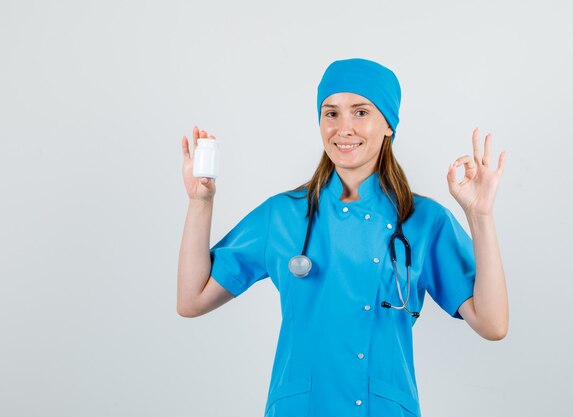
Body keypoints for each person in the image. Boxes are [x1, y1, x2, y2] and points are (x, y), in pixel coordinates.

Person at [177, 58, 509, 417]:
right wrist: (201, 203)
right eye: (331, 113)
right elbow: (192, 300)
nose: (343, 128)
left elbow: (492, 324)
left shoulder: (423, 220)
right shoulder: (283, 215)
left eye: (361, 112)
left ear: (388, 125)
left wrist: (480, 217)